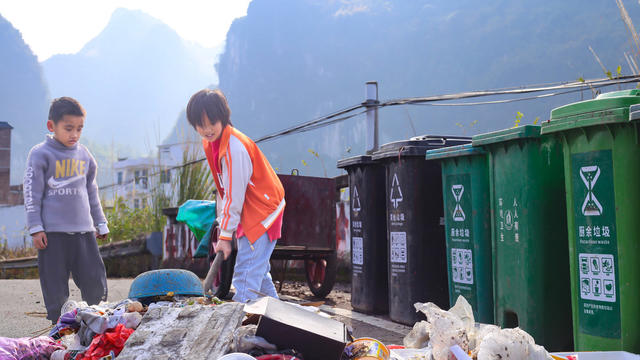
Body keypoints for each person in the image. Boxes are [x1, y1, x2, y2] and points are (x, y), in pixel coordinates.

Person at [186, 89, 285, 303]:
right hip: (249, 209)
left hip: (263, 210)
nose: (207, 129)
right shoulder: (211, 143)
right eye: (200, 125)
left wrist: (224, 237)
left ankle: (237, 331)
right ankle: (280, 319)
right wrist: (224, 227)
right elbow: (223, 190)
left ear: (222, 117)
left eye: (211, 122)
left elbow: (234, 195)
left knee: (245, 275)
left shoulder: (234, 148)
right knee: (257, 272)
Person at [23, 97, 109, 323]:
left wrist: (100, 222)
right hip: (53, 235)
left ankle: (97, 323)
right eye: (68, 128)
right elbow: (32, 193)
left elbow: (92, 192)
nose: (75, 134)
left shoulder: (85, 155)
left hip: (84, 232)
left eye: (79, 129)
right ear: (52, 126)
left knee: (95, 281)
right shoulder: (40, 154)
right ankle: (59, 329)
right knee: (55, 285)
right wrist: (35, 227)